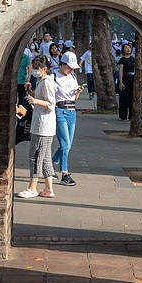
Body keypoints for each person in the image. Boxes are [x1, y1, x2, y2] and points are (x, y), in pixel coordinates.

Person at [18, 55, 57, 200]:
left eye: (37, 68)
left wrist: (35, 100)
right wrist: (33, 94)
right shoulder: (42, 81)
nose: (34, 70)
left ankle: (32, 187)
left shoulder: (47, 82)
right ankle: (48, 188)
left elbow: (50, 104)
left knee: (35, 156)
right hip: (42, 124)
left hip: (43, 126)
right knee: (45, 158)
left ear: (44, 68)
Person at [52, 52, 83, 187]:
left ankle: (51, 162)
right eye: (69, 67)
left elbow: (74, 99)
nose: (70, 69)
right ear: (63, 64)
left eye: (72, 68)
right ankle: (64, 173)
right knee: (65, 144)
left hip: (72, 111)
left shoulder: (73, 76)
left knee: (68, 144)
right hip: (60, 111)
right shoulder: (54, 76)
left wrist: (78, 93)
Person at [117, 42, 136, 121]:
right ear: (123, 50)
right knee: (124, 97)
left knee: (132, 97)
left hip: (132, 79)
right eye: (126, 48)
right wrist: (120, 82)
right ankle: (123, 115)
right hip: (125, 79)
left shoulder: (133, 59)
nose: (128, 49)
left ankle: (131, 115)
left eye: (129, 48)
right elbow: (120, 71)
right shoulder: (122, 60)